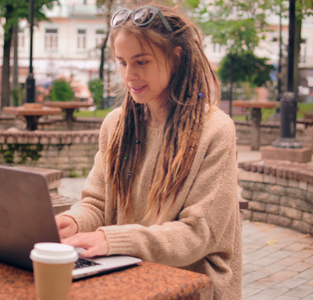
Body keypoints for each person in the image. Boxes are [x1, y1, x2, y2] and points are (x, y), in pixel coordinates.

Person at [55, 3, 242, 299]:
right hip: (125, 275)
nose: (129, 75)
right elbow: (97, 202)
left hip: (193, 286)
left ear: (176, 58)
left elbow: (198, 234)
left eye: (141, 62)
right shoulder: (116, 125)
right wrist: (74, 221)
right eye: (123, 62)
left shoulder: (215, 130)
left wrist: (112, 240)